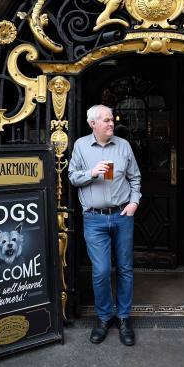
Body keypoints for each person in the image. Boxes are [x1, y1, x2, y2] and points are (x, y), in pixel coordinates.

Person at [68, 104, 141, 346]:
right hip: (94, 218)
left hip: (122, 215)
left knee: (125, 268)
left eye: (112, 120)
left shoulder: (123, 145)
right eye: (107, 120)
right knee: (100, 271)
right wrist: (91, 173)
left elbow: (135, 177)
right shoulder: (80, 146)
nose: (111, 123)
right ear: (93, 124)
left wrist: (134, 203)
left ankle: (124, 318)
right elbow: (72, 177)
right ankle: (103, 318)